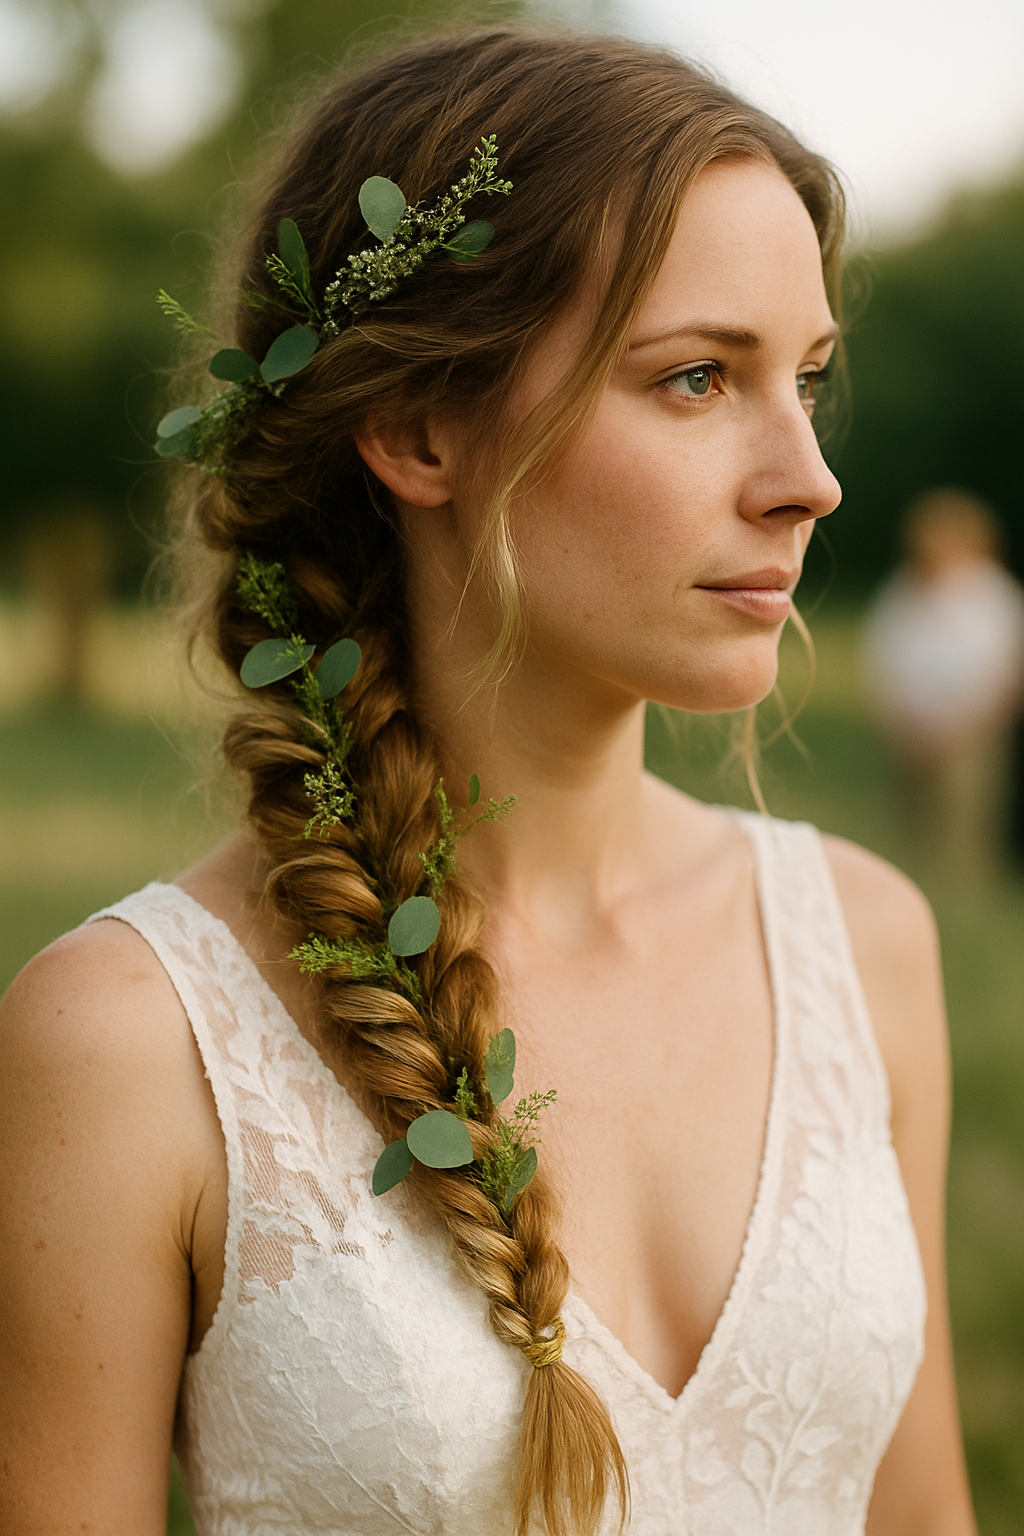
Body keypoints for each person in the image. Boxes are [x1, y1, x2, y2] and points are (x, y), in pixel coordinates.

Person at [0, 26, 977, 1536]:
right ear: (416, 427)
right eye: (700, 378)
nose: (809, 476)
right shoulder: (131, 1047)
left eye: (809, 379)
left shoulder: (866, 946)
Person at [863, 486, 1024, 884]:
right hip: (912, 728)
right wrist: (902, 718)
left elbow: (1003, 672)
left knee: (965, 822)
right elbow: (884, 657)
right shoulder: (902, 591)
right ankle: (914, 883)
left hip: (970, 732)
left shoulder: (992, 596)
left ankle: (962, 895)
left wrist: (958, 726)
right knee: (916, 818)